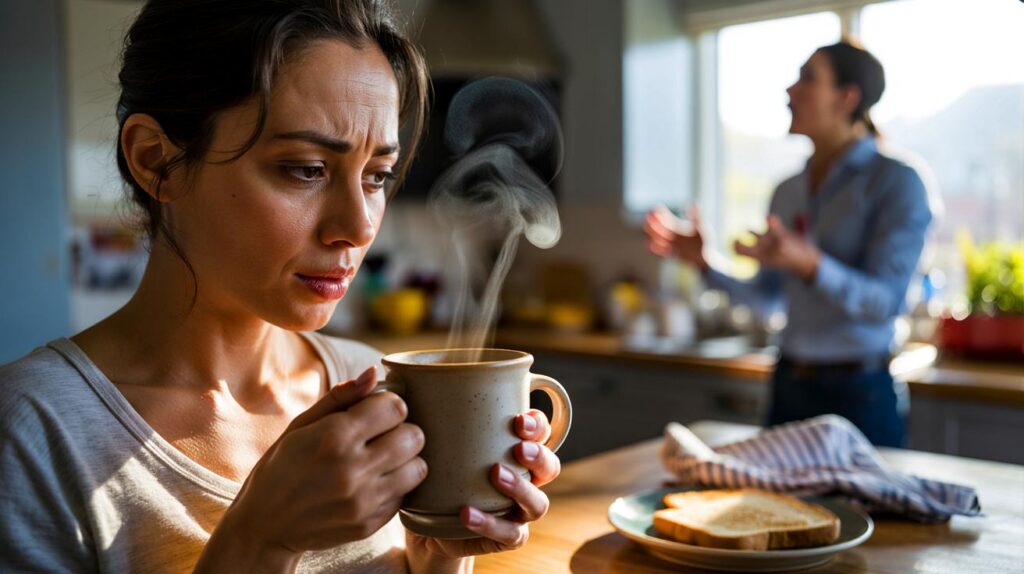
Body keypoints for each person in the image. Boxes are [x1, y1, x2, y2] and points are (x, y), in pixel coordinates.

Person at [0, 1, 560, 572]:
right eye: (306, 169)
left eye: (377, 176)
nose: (359, 227)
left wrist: (439, 555)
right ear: (156, 161)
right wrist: (258, 540)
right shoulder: (33, 432)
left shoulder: (372, 385)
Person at [645, 40, 934, 447]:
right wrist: (705, 264)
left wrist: (811, 263)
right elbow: (768, 300)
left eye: (808, 79)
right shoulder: (788, 191)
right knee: (777, 512)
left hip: (860, 393)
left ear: (847, 97)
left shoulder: (897, 183)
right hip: (789, 386)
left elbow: (887, 301)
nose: (790, 91)